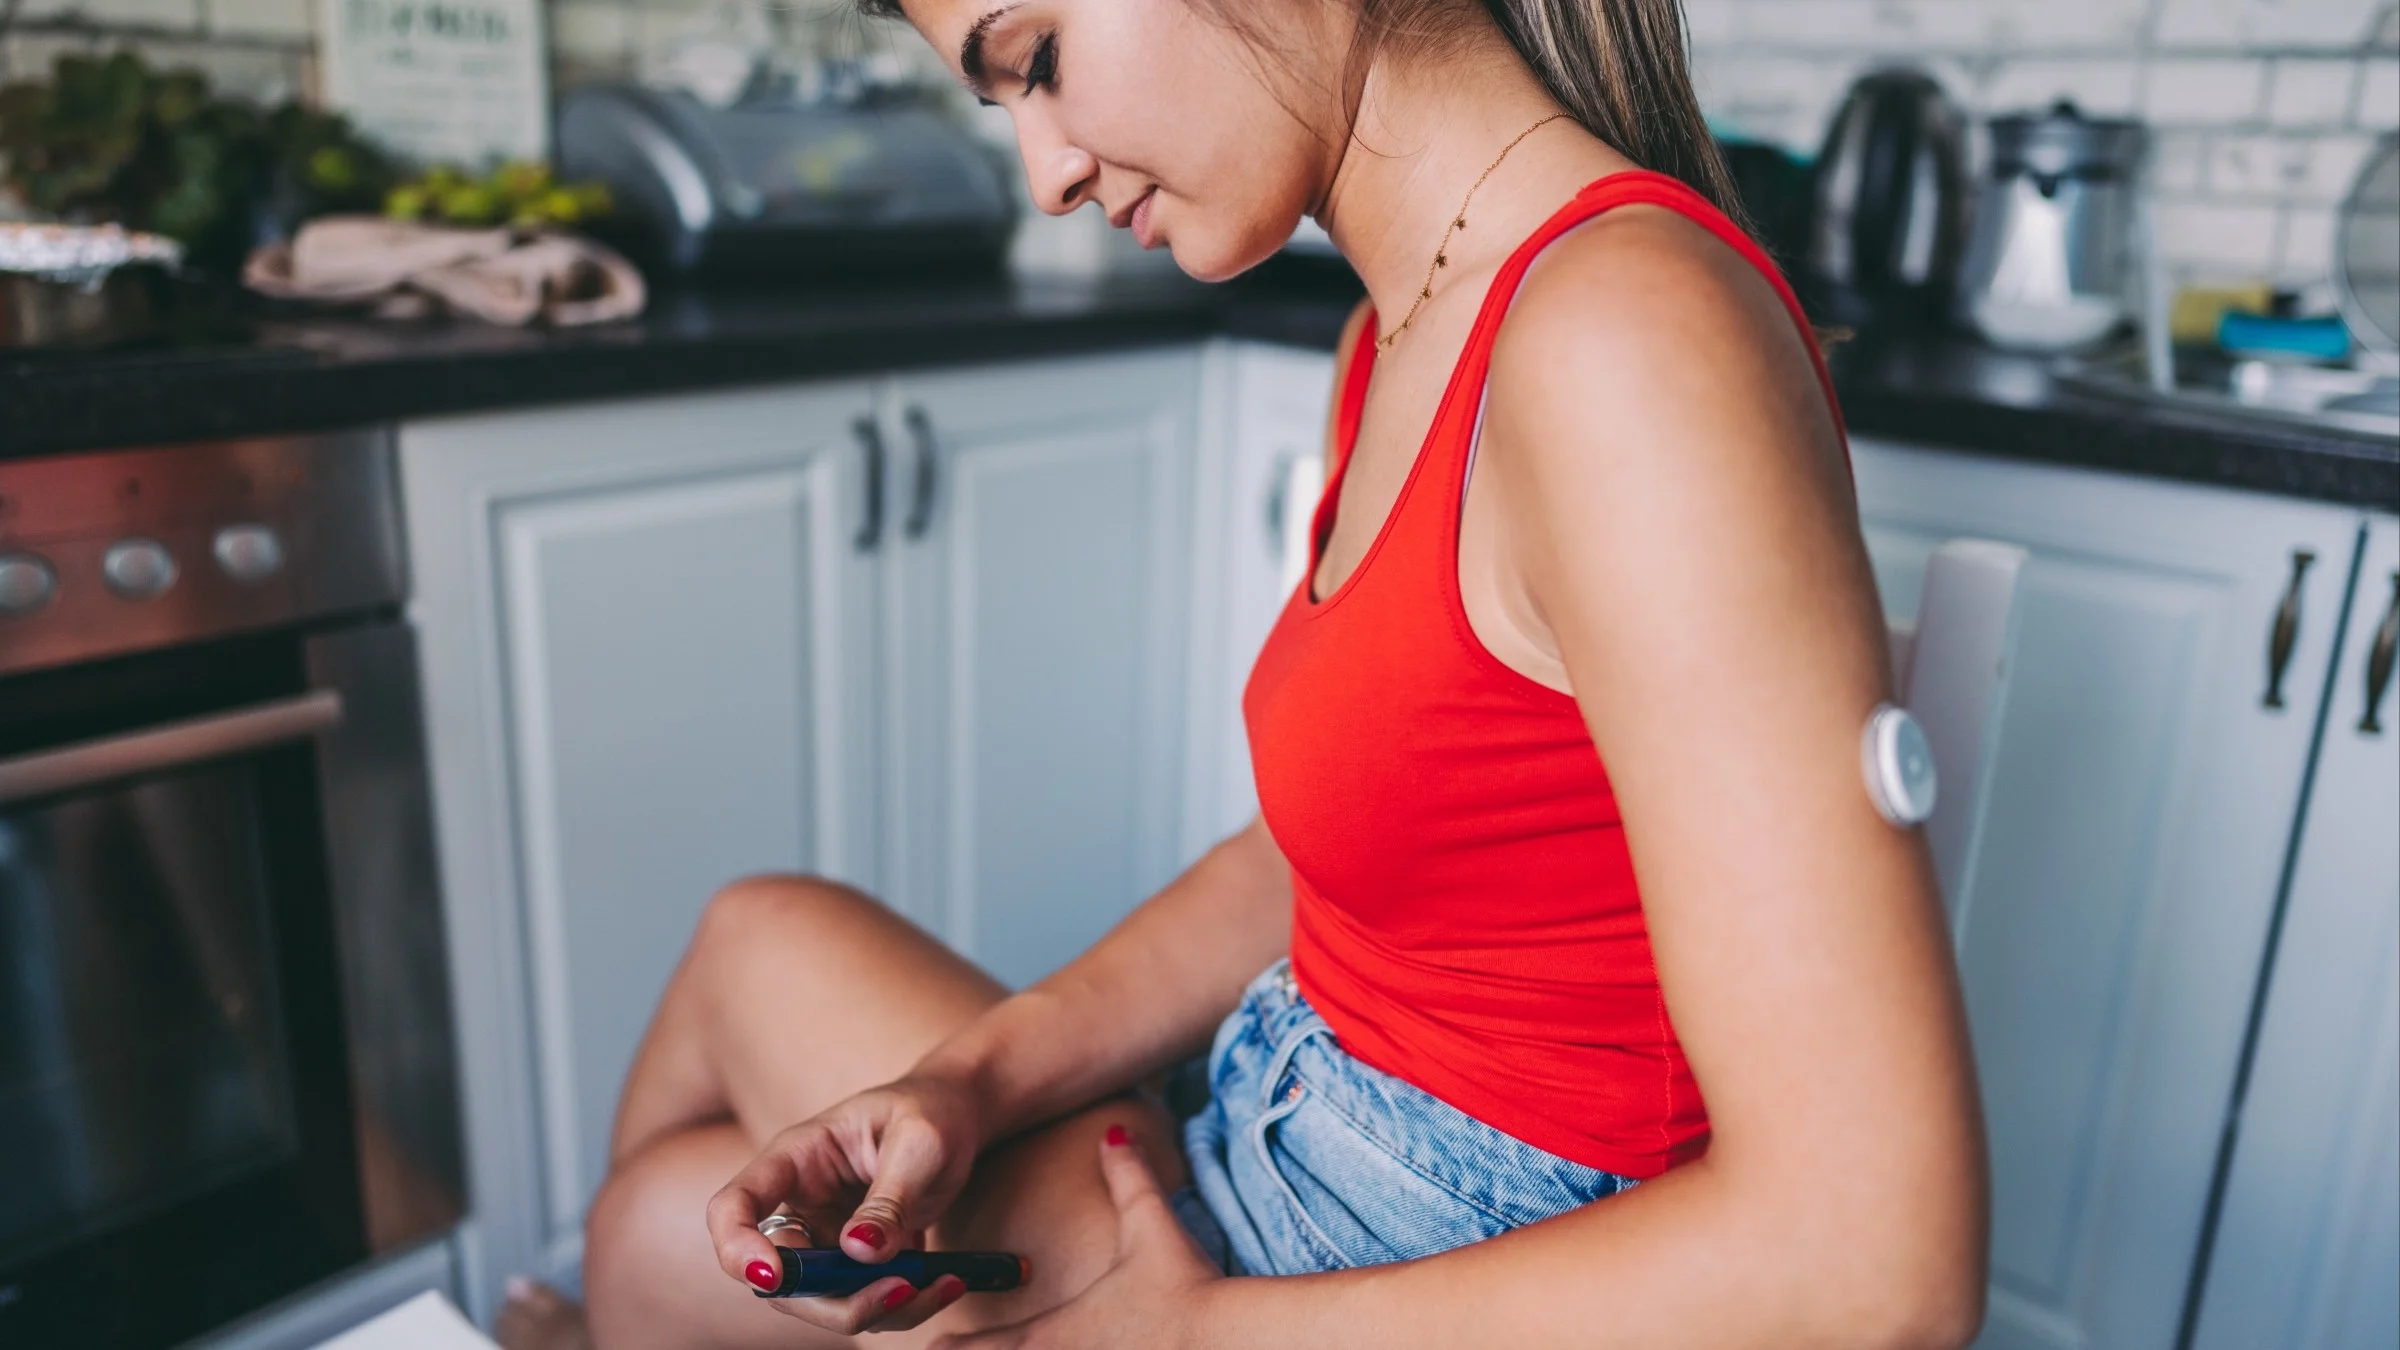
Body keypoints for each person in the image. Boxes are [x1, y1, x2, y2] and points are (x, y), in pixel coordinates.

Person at [495, 1, 1990, 1346]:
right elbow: (1330, 855)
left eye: (1045, 59)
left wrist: (1191, 1337)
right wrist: (975, 1080)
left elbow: (1875, 1260)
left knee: (654, 1231)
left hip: (1409, 1263)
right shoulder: (1407, 317)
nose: (1047, 173)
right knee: (710, 1066)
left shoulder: (1623, 338)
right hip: (1273, 1142)